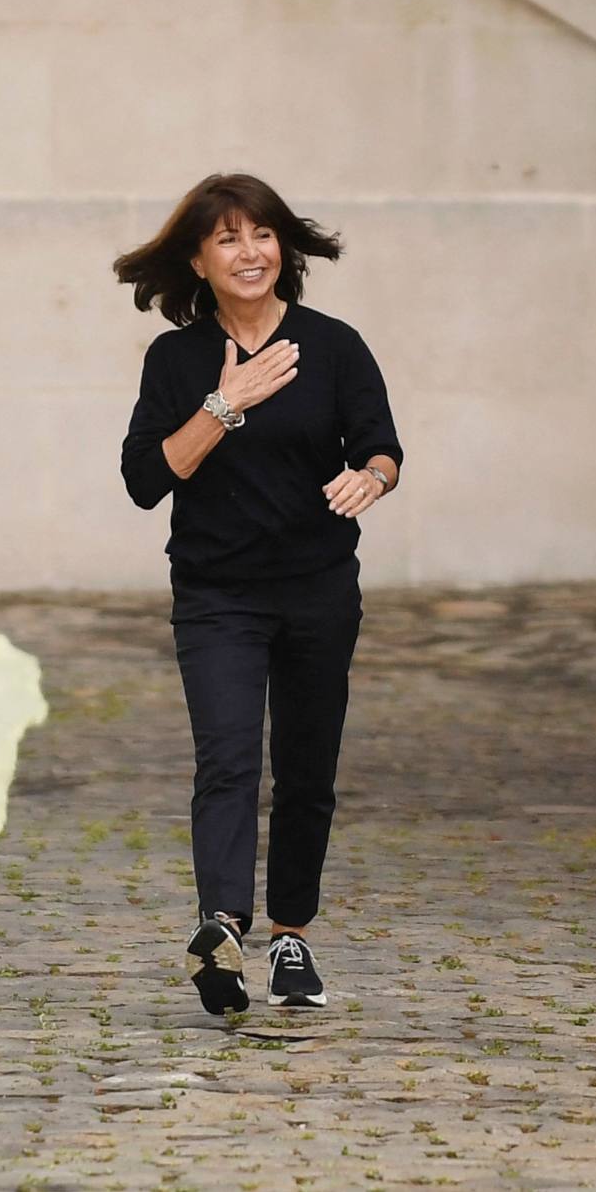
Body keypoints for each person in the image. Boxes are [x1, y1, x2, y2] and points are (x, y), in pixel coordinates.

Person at [116, 172, 404, 1015]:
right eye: (229, 239)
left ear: (284, 248)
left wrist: (371, 479)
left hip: (317, 591)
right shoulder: (177, 360)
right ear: (199, 262)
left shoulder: (335, 345)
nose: (251, 252)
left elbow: (382, 444)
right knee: (229, 759)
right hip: (218, 596)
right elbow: (144, 480)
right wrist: (224, 402)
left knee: (307, 770)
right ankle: (222, 928)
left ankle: (291, 938)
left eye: (263, 235)